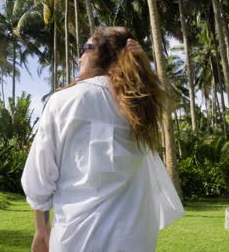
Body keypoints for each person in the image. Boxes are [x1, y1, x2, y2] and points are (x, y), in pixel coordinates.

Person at [21, 27, 184, 252]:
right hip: (134, 236)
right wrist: (143, 63)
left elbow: (39, 176)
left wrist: (41, 230)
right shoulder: (139, 105)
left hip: (77, 236)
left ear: (105, 54)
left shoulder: (63, 101)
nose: (79, 55)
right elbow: (157, 93)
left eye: (85, 48)